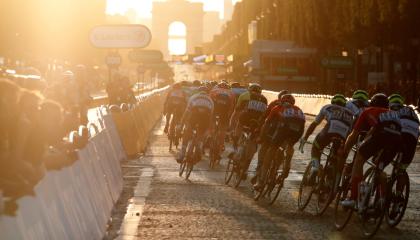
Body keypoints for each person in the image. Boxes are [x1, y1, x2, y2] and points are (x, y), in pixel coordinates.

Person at [340, 93, 402, 208]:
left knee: (359, 161)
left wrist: (345, 150)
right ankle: (382, 200)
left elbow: (354, 135)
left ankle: (353, 198)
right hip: (396, 141)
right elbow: (375, 130)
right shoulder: (394, 114)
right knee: (380, 167)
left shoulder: (368, 111)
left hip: (380, 136)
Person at [253, 94, 305, 189]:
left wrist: (261, 136)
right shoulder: (298, 109)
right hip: (298, 129)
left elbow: (267, 123)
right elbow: (302, 126)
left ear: (281, 101)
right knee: (288, 145)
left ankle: (261, 182)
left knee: (272, 149)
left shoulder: (277, 107)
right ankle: (286, 165)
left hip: (284, 128)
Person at [299, 94, 354, 179]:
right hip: (343, 136)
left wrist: (305, 137)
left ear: (333, 102)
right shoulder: (351, 113)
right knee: (336, 155)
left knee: (316, 147)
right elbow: (352, 131)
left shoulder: (327, 107)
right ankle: (332, 177)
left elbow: (314, 124)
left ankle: (315, 167)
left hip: (328, 132)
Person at [387, 94, 419, 209]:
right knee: (402, 169)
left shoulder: (392, 109)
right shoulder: (411, 111)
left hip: (400, 134)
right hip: (413, 139)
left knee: (384, 156)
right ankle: (399, 195)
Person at [177, 86, 214, 163]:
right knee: (200, 136)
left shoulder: (193, 97)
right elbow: (211, 117)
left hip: (194, 118)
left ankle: (182, 153)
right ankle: (199, 148)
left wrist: (182, 124)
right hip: (205, 120)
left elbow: (186, 113)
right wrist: (209, 130)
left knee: (187, 134)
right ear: (207, 93)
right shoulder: (210, 100)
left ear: (198, 91)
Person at [209, 82, 236, 159]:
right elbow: (232, 107)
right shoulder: (231, 93)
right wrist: (229, 116)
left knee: (211, 123)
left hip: (214, 111)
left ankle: (210, 135)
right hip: (224, 113)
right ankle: (220, 148)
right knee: (222, 131)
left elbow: (209, 102)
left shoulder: (213, 90)